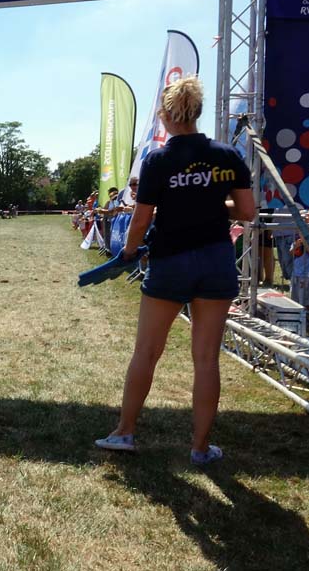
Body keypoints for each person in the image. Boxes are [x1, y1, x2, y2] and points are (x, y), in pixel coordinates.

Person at [95, 76, 255, 467]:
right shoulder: (227, 156)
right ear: (196, 113)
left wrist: (130, 253)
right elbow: (247, 212)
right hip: (216, 260)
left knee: (146, 353)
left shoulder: (157, 160)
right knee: (206, 359)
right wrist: (213, 207)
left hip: (169, 262)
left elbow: (140, 220)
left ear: (165, 115)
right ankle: (200, 448)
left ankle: (125, 432)